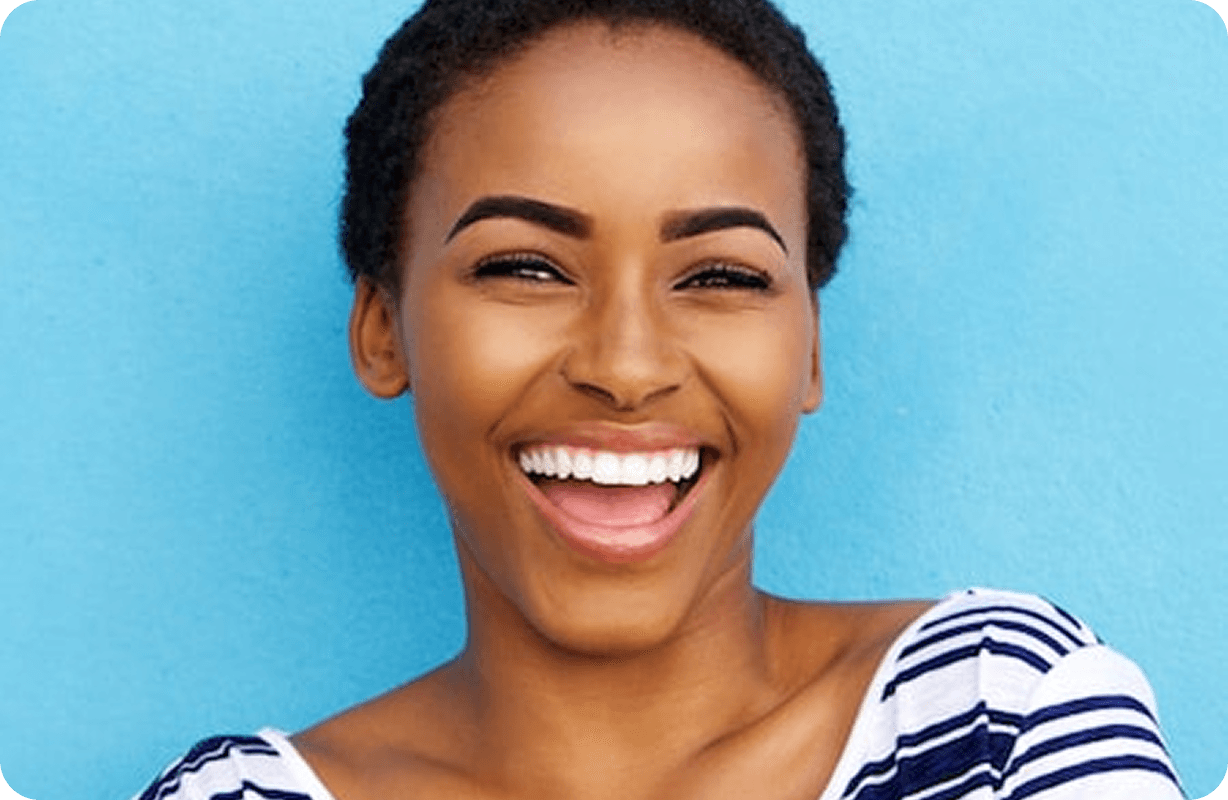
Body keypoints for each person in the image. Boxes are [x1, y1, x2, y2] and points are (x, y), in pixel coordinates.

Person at [133, 0, 1183, 798]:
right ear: (381, 328)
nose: (626, 366)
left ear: (808, 348)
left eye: (720, 276)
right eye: (526, 267)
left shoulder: (1000, 716)